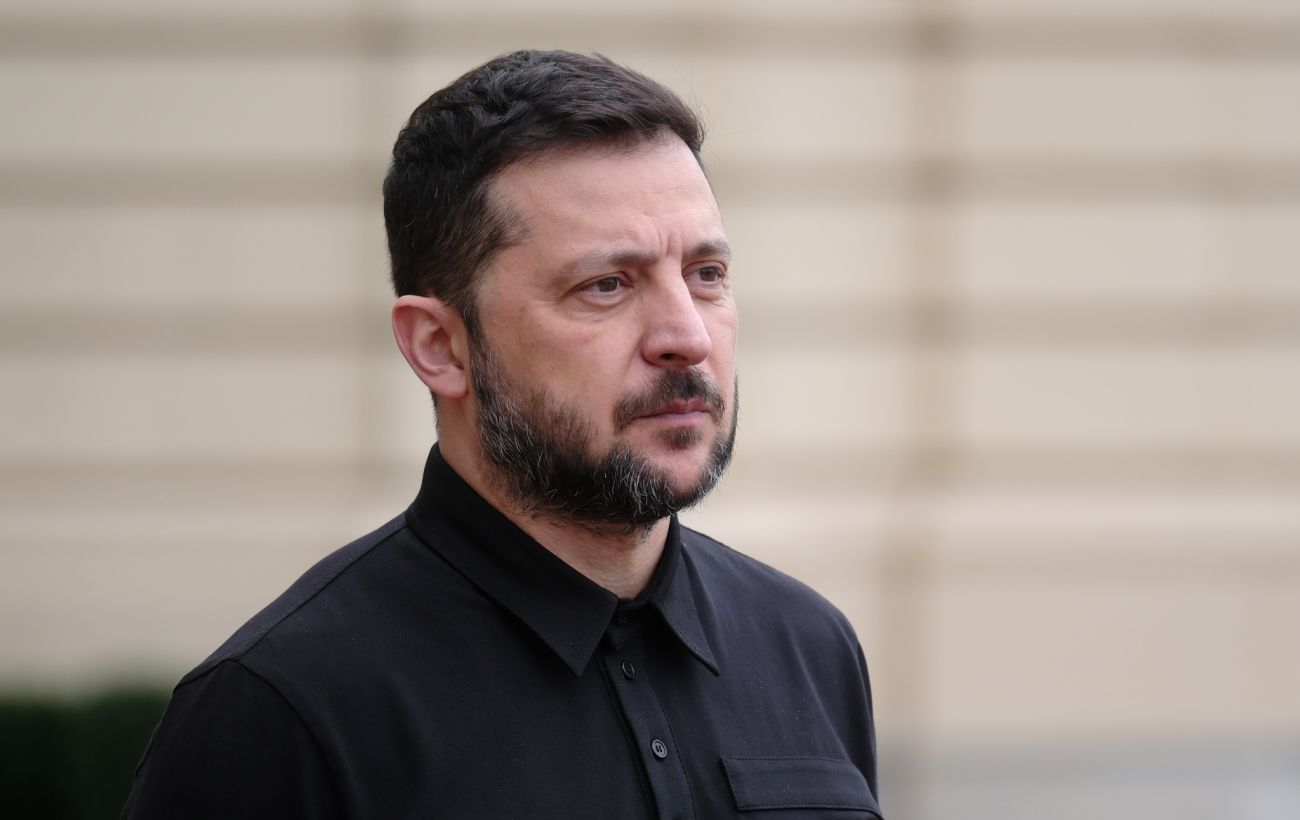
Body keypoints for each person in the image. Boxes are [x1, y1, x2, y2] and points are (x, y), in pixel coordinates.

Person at [123, 50, 881, 819]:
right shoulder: (282, 712)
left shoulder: (810, 649)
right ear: (439, 347)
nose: (686, 336)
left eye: (706, 274)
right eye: (606, 285)